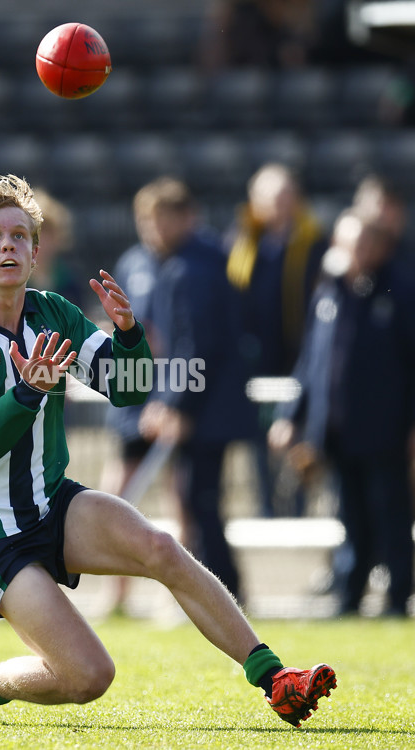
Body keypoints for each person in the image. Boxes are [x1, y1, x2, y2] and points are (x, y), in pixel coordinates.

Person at [0, 173, 336, 728]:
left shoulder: (51, 312)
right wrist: (27, 392)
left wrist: (127, 335)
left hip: (50, 503)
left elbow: (130, 386)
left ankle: (275, 678)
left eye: (20, 236)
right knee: (89, 676)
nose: (8, 246)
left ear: (35, 250)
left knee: (162, 548)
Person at [105, 176, 258, 603]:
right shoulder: (163, 263)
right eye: (145, 220)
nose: (152, 230)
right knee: (197, 500)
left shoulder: (194, 267)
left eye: (161, 219)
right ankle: (219, 594)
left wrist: (176, 405)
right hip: (191, 402)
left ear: (185, 218)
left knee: (200, 501)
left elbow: (199, 345)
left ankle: (222, 594)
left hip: (205, 408)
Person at [268, 209, 415, 615]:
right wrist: (289, 415)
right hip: (338, 431)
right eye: (351, 244)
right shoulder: (329, 292)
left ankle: (397, 596)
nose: (358, 252)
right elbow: (310, 363)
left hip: (385, 429)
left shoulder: (400, 290)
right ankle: (350, 594)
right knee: (350, 515)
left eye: (366, 244)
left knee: (390, 514)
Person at [223, 162, 327, 516]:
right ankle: (266, 507)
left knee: (295, 434)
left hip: (298, 356)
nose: (278, 204)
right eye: (270, 197)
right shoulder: (241, 246)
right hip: (255, 361)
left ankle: (297, 507)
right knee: (258, 440)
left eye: (285, 196)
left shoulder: (315, 246)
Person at [28, 187, 87, 311]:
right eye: (35, 233)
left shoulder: (70, 281)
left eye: (47, 232)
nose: (40, 240)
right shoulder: (12, 279)